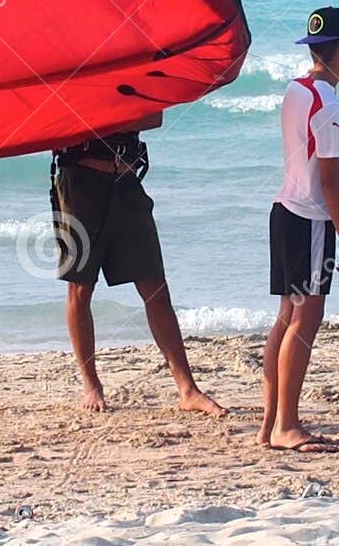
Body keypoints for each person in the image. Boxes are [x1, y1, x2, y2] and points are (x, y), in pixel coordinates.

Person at [53, 116, 225, 416]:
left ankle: (188, 390)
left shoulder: (126, 72)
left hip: (127, 184)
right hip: (80, 185)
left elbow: (153, 117)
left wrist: (107, 118)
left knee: (155, 287)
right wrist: (110, 117)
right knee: (80, 289)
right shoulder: (72, 75)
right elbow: (55, 128)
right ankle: (91, 383)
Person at [264, 6, 339, 452]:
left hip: (283, 209)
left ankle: (271, 422)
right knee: (306, 318)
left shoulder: (294, 89)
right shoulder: (331, 106)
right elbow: (331, 179)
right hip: (309, 218)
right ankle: (286, 424)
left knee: (287, 316)